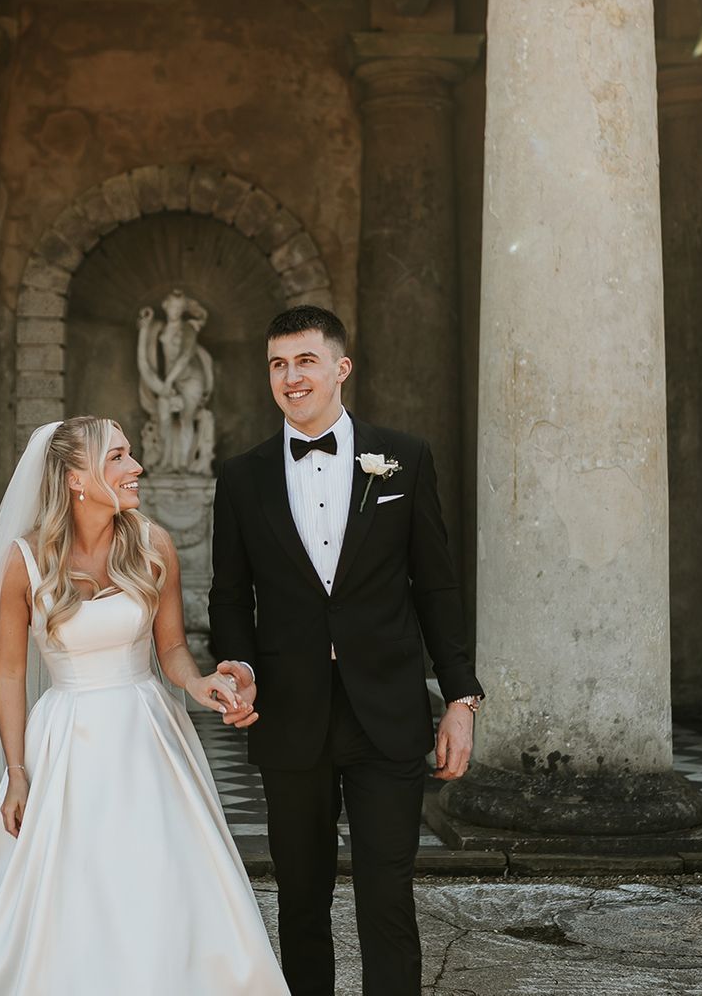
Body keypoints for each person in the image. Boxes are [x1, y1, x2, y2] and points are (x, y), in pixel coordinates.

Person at [0, 416, 290, 995]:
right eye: (119, 457)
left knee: (159, 877)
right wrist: (18, 772)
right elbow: (7, 672)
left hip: (147, 734)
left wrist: (199, 685)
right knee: (67, 890)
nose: (137, 468)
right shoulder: (24, 562)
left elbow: (171, 647)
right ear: (77, 476)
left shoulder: (153, 544)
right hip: (64, 740)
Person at [209, 306, 485, 996]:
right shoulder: (241, 477)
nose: (291, 377)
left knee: (386, 898)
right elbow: (228, 597)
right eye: (278, 364)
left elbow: (438, 586)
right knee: (301, 901)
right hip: (290, 716)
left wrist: (459, 699)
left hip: (386, 713)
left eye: (305, 361)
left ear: (340, 367)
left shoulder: (404, 458)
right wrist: (238, 668)